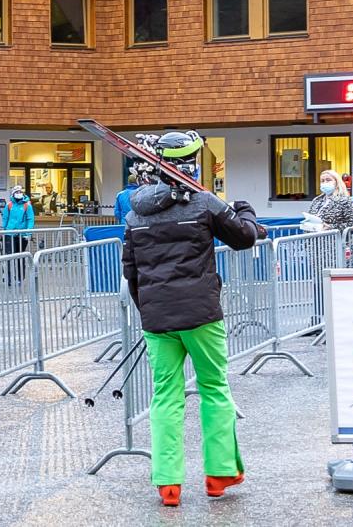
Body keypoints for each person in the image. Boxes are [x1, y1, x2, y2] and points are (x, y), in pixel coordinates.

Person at [123, 172, 264, 507]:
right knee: (213, 388)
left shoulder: (135, 213)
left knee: (165, 397)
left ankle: (168, 483)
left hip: (157, 317)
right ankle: (219, 474)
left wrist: (149, 311)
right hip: (201, 313)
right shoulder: (203, 203)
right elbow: (244, 237)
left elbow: (131, 272)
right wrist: (244, 209)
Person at [2, 185, 35, 284]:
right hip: (10, 233)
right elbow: (5, 218)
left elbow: (30, 219)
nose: (19, 193)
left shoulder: (27, 206)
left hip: (22, 234)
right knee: (8, 256)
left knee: (20, 256)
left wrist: (28, 232)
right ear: (13, 193)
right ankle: (8, 277)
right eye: (17, 192)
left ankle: (20, 278)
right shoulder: (9, 205)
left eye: (20, 191)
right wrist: (5, 229)